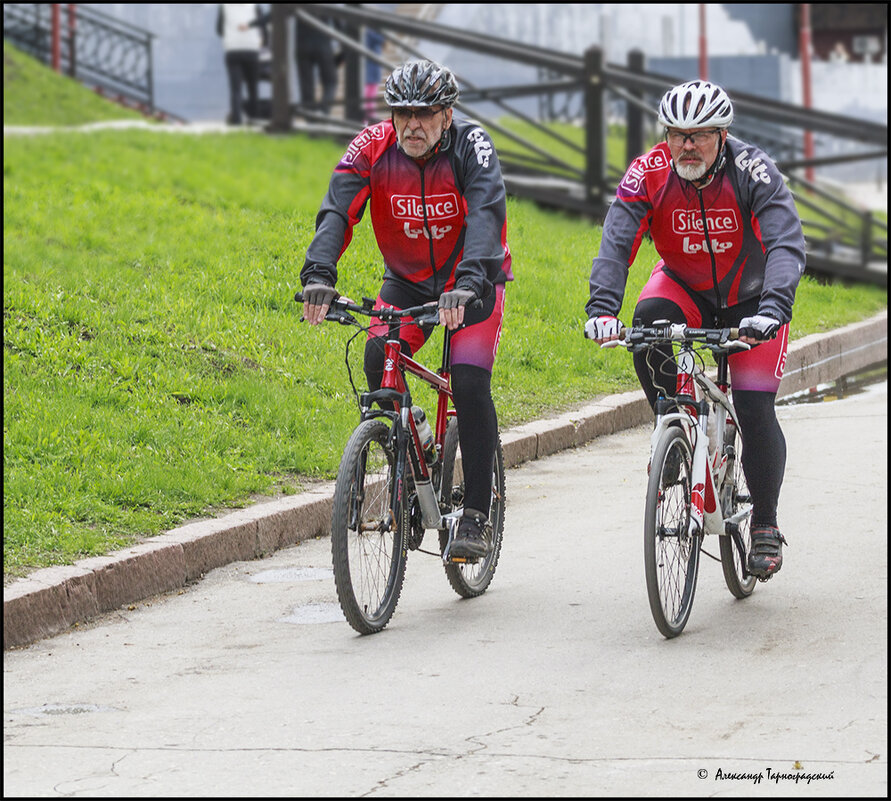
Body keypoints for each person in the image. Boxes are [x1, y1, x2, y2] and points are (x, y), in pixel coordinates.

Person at [584, 80, 806, 581]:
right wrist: (601, 308)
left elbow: (786, 243)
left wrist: (772, 308)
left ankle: (765, 524)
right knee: (646, 326)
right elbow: (617, 240)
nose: (687, 145)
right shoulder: (648, 172)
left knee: (753, 405)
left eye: (699, 135)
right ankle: (673, 428)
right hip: (685, 287)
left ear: (722, 136)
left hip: (751, 300)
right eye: (676, 134)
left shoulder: (753, 170)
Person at [300, 60, 513, 560]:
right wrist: (318, 276)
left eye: (425, 114)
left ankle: (477, 515)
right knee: (378, 360)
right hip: (407, 281)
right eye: (402, 113)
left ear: (447, 114)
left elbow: (486, 214)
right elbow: (338, 209)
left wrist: (468, 283)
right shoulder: (371, 147)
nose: (412, 125)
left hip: (473, 281)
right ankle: (407, 470)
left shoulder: (471, 146)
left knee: (468, 381)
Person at [216, 4, 266, 125]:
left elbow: (219, 29)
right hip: (251, 49)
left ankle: (236, 119)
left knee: (235, 88)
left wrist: (230, 35)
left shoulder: (224, 6)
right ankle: (255, 119)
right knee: (252, 87)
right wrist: (262, 41)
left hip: (233, 49)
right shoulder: (255, 6)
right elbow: (263, 26)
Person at [295, 13, 340, 116]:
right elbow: (338, 23)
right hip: (322, 45)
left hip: (303, 46)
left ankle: (310, 117)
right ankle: (323, 111)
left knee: (306, 84)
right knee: (331, 81)